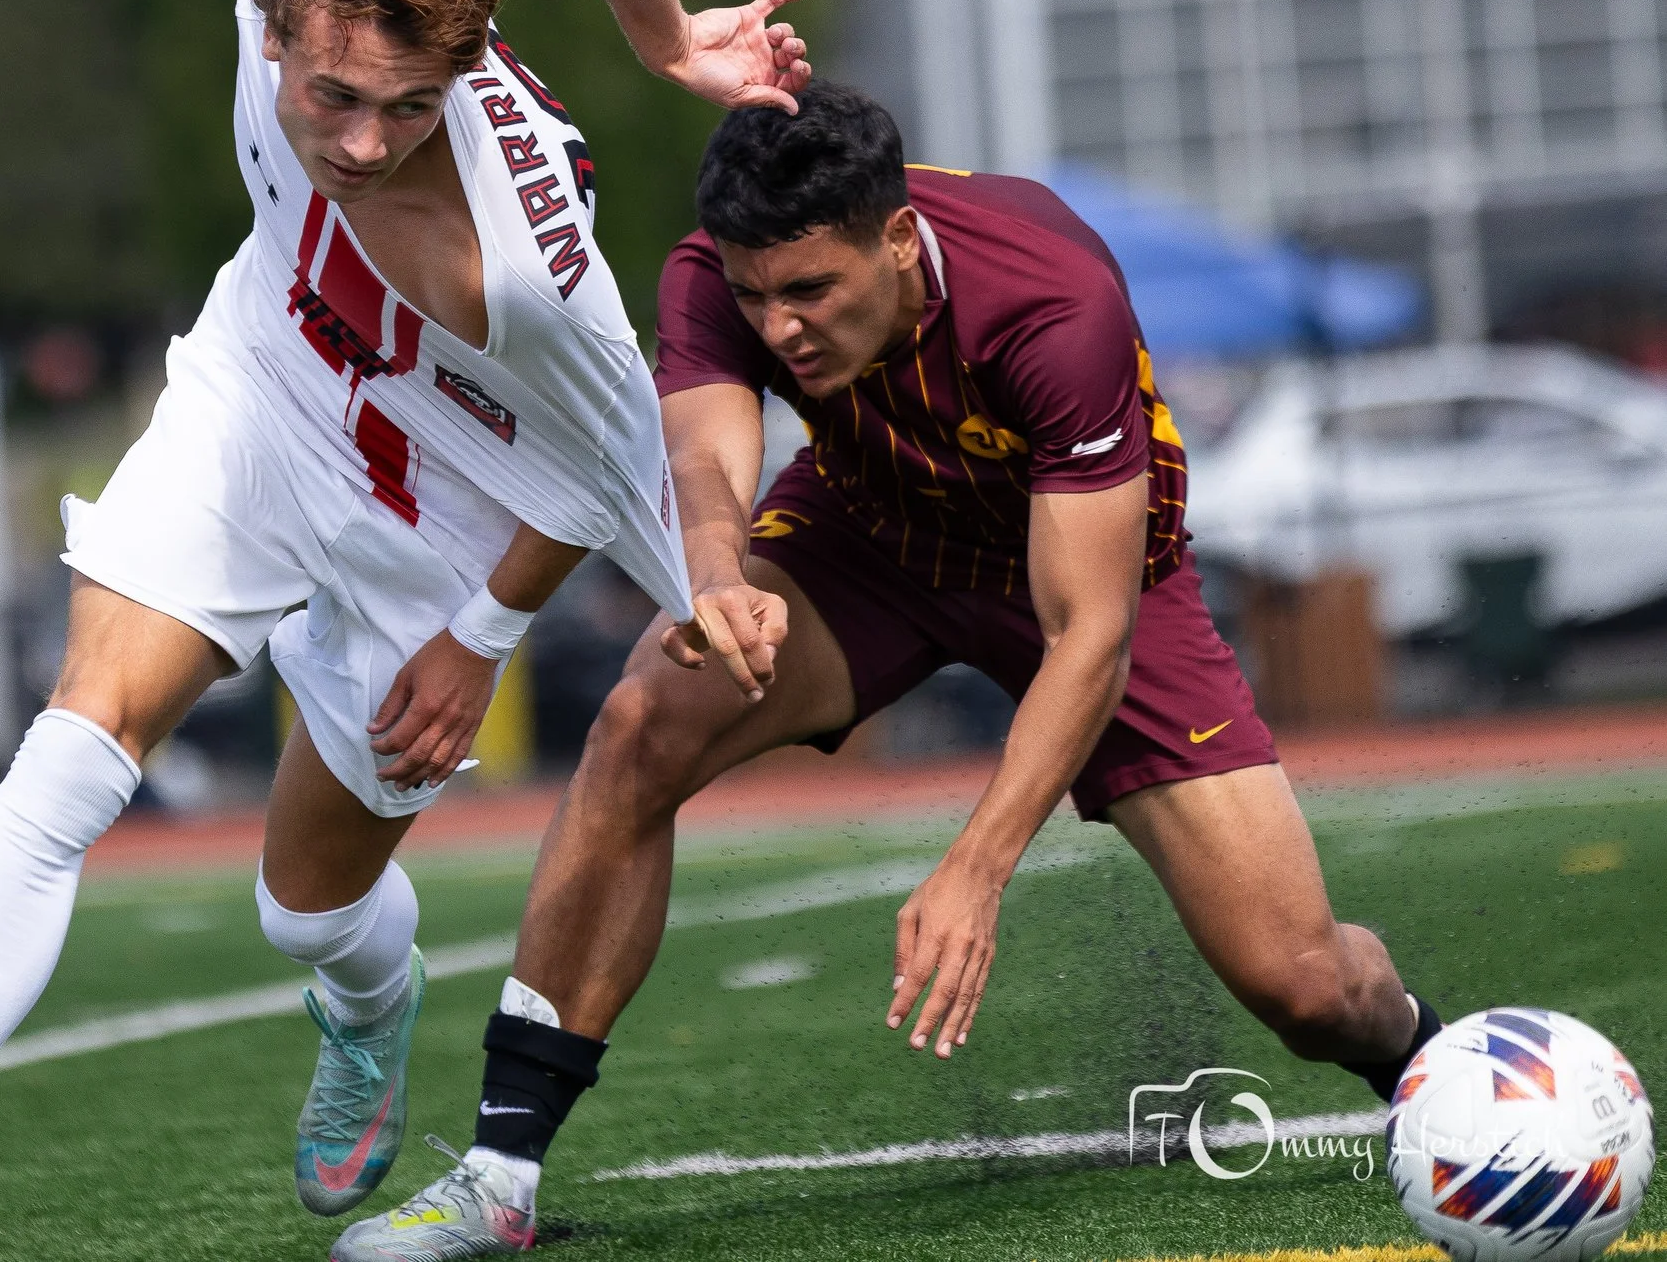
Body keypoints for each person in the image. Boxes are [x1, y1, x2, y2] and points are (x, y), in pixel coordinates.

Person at [0, 0, 810, 1261]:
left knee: (305, 906)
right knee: (75, 745)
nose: (365, 141)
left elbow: (606, 466)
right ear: (273, 16)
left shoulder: (528, 269)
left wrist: (479, 636)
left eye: (412, 107)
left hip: (453, 499)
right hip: (264, 385)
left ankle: (366, 1004)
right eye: (334, 94)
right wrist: (672, 34)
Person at [332, 81, 1442, 1260]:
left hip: (1086, 581)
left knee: (1305, 986)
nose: (780, 326)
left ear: (898, 239)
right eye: (757, 296)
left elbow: (1089, 635)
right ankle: (499, 1173)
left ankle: (1435, 1062)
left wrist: (974, 866)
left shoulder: (1049, 303)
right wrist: (716, 575)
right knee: (642, 716)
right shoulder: (712, 270)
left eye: (811, 290)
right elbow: (706, 454)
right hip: (867, 534)